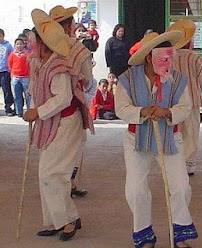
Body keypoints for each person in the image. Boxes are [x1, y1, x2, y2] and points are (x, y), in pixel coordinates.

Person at [115, 30, 198, 248]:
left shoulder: (178, 79)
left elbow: (185, 107)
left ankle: (179, 235)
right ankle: (144, 236)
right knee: (135, 190)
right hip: (136, 139)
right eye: (162, 55)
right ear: (149, 56)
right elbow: (121, 108)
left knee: (181, 187)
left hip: (170, 138)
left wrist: (168, 112)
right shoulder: (127, 79)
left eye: (169, 55)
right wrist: (142, 111)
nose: (167, 60)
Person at [24, 9, 92, 241]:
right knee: (47, 173)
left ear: (43, 44)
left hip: (65, 123)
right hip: (51, 123)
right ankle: (56, 219)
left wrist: (38, 112)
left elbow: (63, 98)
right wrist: (35, 111)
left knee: (54, 173)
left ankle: (69, 219)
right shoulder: (42, 63)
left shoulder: (58, 66)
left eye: (33, 43)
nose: (29, 46)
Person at [49, 5, 95, 198]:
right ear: (68, 26)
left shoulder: (44, 47)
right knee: (73, 149)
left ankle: (63, 184)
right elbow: (87, 79)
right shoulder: (77, 48)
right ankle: (68, 184)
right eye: (73, 21)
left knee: (52, 152)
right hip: (69, 108)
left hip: (46, 109)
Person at [167, 19, 202, 176]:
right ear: (189, 42)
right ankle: (189, 163)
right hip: (192, 99)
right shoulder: (197, 59)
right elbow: (201, 81)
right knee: (191, 132)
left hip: (173, 101)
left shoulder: (168, 58)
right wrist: (200, 92)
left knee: (175, 130)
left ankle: (174, 161)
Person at [8, 38, 30, 117]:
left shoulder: (27, 54)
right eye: (17, 44)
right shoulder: (12, 54)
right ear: (15, 45)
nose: (19, 45)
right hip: (16, 77)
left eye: (21, 44)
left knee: (27, 95)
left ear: (24, 45)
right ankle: (19, 112)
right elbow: (10, 65)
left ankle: (29, 111)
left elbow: (30, 65)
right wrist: (13, 75)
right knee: (17, 95)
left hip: (26, 77)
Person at [0, 28, 14, 116]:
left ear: (3, 36)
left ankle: (8, 108)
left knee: (6, 90)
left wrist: (10, 69)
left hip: (4, 71)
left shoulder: (8, 45)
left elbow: (11, 57)